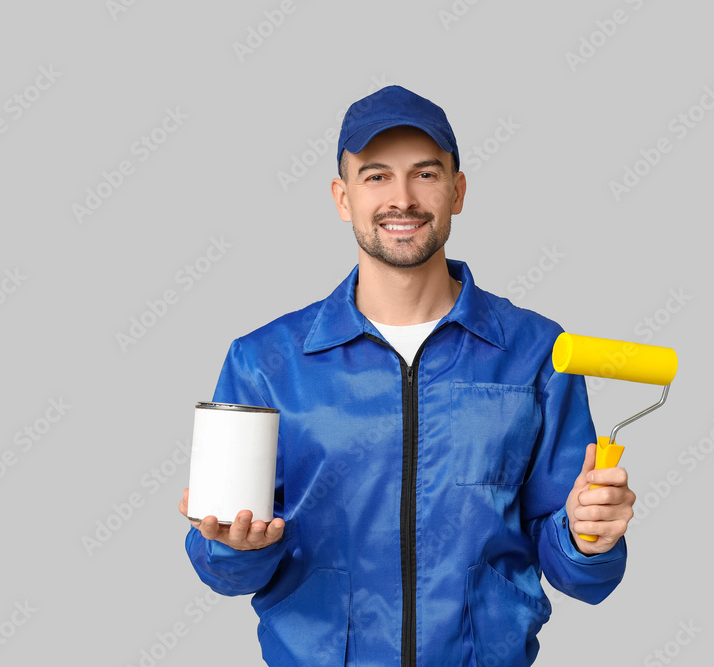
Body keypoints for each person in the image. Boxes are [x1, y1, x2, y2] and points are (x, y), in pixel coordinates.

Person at [181, 85, 636, 666]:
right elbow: (225, 568)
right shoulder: (265, 361)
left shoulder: (540, 351)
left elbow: (582, 573)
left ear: (457, 190)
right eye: (375, 177)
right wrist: (232, 547)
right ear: (342, 198)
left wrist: (585, 537)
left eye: (425, 174)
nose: (402, 199)